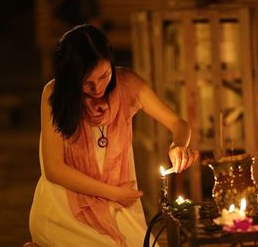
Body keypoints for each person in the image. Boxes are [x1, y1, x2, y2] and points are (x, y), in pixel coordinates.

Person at [28, 24, 199, 247]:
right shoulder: (54, 94)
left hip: (116, 205)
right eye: (86, 82)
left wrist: (178, 144)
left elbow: (178, 123)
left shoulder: (128, 84)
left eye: (104, 75)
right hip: (65, 208)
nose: (97, 87)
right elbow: (54, 170)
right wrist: (115, 193)